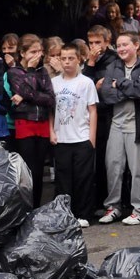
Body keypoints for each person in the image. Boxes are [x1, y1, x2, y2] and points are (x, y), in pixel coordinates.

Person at [98, 32, 140, 225]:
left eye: (125, 44)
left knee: (138, 169)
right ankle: (113, 207)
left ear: (136, 45)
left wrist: (121, 84)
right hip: (116, 124)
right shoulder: (113, 66)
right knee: (113, 167)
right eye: (118, 45)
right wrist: (129, 90)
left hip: (136, 126)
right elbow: (106, 94)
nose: (121, 49)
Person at [50, 43, 98, 227]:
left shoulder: (86, 82)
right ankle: (64, 215)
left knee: (83, 178)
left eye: (71, 58)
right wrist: (51, 132)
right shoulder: (54, 83)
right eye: (64, 58)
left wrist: (91, 138)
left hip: (82, 137)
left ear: (79, 59)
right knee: (63, 179)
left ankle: (83, 214)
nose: (67, 62)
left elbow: (92, 110)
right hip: (61, 138)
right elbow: (51, 111)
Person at [7, 34, 55, 208]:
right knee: (28, 168)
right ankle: (27, 207)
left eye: (40, 52)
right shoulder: (14, 72)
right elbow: (25, 91)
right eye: (33, 52)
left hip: (42, 122)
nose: (37, 56)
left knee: (39, 167)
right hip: (24, 123)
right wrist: (30, 72)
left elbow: (50, 99)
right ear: (22, 53)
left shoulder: (43, 72)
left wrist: (29, 95)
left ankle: (37, 206)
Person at [84, 25, 118, 215]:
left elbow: (110, 86)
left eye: (98, 42)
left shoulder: (113, 59)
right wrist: (90, 62)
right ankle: (96, 201)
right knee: (95, 158)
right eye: (91, 43)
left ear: (107, 41)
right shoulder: (90, 60)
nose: (95, 46)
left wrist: (99, 88)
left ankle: (109, 201)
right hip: (93, 113)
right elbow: (84, 86)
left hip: (109, 113)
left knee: (109, 159)